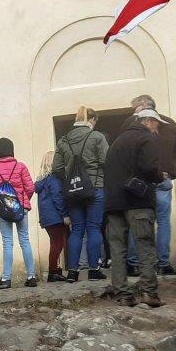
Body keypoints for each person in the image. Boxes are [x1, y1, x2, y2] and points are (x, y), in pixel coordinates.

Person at [102, 109, 164, 307]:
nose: (157, 128)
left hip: (114, 203)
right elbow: (149, 168)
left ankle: (123, 294)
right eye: (156, 124)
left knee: (117, 248)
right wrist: (159, 177)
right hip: (138, 202)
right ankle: (148, 292)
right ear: (148, 121)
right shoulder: (146, 138)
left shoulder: (116, 142)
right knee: (144, 245)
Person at [127, 95, 176, 275]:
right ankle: (163, 263)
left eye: (134, 107)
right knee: (163, 222)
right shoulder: (170, 123)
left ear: (143, 106)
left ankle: (134, 262)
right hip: (164, 178)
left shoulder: (132, 123)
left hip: (142, 180)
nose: (133, 111)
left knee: (137, 220)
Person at [53, 107, 109, 282]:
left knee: (76, 230)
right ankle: (94, 270)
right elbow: (106, 161)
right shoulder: (97, 137)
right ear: (90, 120)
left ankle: (72, 272)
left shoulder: (63, 140)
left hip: (72, 190)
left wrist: (70, 178)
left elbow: (56, 168)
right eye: (94, 121)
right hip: (95, 188)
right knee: (93, 227)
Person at [0, 138, 37, 288]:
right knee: (24, 240)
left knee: (7, 243)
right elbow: (31, 188)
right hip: (21, 209)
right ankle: (31, 276)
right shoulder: (20, 166)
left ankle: (6, 279)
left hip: (2, 210)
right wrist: (23, 201)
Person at [35, 151, 68, 282]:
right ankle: (53, 271)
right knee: (58, 244)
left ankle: (55, 269)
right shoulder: (53, 179)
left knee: (55, 243)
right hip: (55, 216)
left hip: (46, 218)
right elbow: (57, 198)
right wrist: (65, 214)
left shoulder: (41, 181)